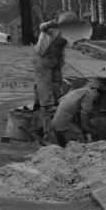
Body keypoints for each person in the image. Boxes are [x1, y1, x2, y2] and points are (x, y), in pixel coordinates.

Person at [32, 11, 76, 142]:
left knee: (58, 91)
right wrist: (53, 23)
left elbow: (62, 49)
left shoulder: (66, 35)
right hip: (43, 61)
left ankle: (54, 110)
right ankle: (47, 132)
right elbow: (42, 27)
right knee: (46, 97)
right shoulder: (51, 29)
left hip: (55, 61)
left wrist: (60, 64)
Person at [51, 76, 106, 146]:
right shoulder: (89, 94)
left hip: (55, 124)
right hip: (63, 125)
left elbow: (60, 101)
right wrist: (90, 131)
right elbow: (84, 118)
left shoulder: (78, 92)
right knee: (80, 139)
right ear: (97, 91)